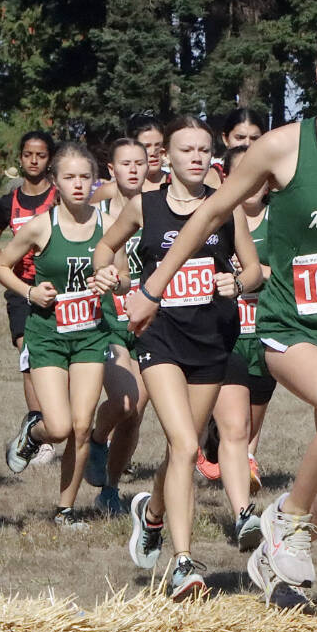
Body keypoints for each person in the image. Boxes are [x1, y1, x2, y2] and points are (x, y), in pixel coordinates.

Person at [125, 26, 317, 611]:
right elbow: (213, 210)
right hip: (290, 327)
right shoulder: (283, 147)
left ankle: (277, 550)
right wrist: (155, 287)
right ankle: (284, 520)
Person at [96, 115, 263, 601]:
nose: (195, 157)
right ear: (164, 158)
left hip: (211, 338)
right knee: (186, 446)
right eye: (184, 149)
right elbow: (105, 248)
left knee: (180, 450)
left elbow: (252, 269)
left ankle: (151, 513)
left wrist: (238, 282)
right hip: (160, 336)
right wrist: (109, 275)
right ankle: (184, 563)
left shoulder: (224, 207)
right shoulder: (143, 206)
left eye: (202, 149)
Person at [0, 143, 123, 529]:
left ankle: (64, 511)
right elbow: (1, 264)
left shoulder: (107, 224)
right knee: (60, 426)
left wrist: (112, 279)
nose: (78, 184)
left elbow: (125, 276)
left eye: (85, 176)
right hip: (48, 333)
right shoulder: (41, 224)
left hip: (90, 333)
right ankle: (32, 434)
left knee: (83, 426)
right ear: (55, 182)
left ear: (94, 180)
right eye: (69, 177)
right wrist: (30, 291)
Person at [206, 144, 273, 549]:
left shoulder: (280, 220)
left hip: (265, 331)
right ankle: (242, 505)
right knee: (236, 428)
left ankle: (226, 452)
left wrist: (259, 274)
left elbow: (291, 269)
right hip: (220, 332)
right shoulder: (214, 216)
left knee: (250, 420)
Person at [85, 138, 151, 515]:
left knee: (137, 409)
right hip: (110, 320)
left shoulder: (160, 206)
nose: (133, 170)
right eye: (125, 164)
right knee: (126, 402)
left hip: (152, 320)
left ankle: (109, 488)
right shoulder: (96, 212)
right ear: (111, 169)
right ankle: (96, 439)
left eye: (139, 163)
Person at [0, 131, 57, 464]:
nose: (33, 160)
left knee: (58, 361)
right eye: (28, 154)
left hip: (57, 289)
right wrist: (7, 263)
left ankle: (56, 420)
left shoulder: (59, 198)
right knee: (28, 356)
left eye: (41, 155)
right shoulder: (7, 203)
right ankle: (37, 427)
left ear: (49, 159)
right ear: (20, 158)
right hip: (21, 289)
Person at [205, 109, 265, 187]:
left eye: (254, 138)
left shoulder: (271, 175)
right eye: (240, 137)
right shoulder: (211, 180)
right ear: (225, 139)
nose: (247, 144)